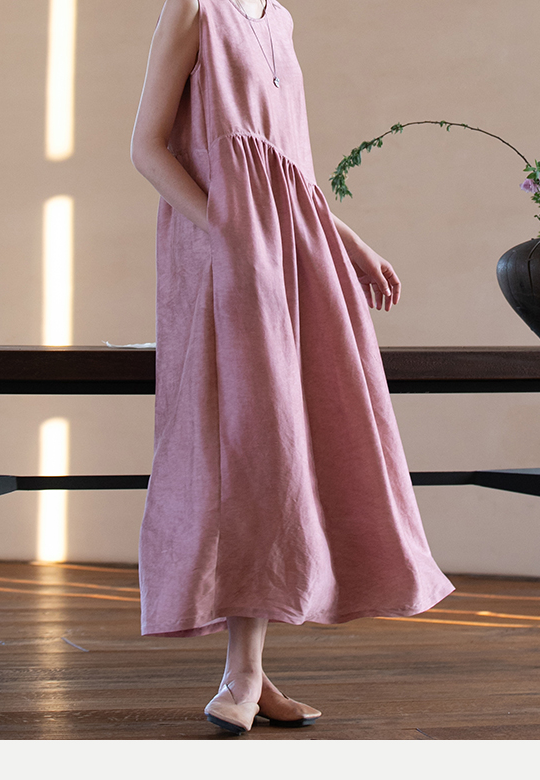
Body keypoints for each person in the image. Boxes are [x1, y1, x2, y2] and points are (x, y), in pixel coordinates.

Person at [130, 0, 454, 735]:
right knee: (253, 452)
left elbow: (288, 173)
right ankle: (242, 672)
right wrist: (230, 235)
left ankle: (249, 669)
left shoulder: (279, 19)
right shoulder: (194, 9)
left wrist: (348, 242)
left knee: (290, 450)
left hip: (296, 259)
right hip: (229, 265)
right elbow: (148, 149)